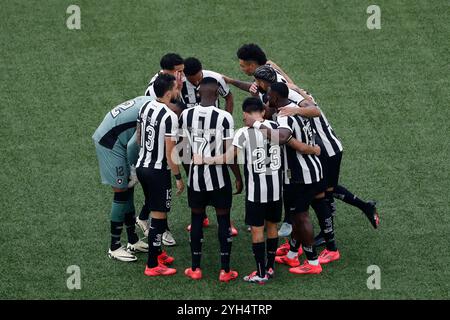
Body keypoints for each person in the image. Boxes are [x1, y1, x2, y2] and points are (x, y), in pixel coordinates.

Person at [244, 82, 340, 274]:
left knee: (300, 216)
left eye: (269, 96)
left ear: (276, 98)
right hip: (315, 168)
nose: (266, 100)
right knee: (308, 210)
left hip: (299, 175)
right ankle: (293, 254)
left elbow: (282, 137)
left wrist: (255, 124)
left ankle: (312, 262)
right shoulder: (298, 110)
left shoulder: (285, 116)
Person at [179, 77, 243, 282]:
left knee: (196, 218)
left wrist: (190, 173)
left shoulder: (186, 115)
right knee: (223, 220)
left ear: (198, 93)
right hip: (219, 180)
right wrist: (238, 177)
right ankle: (225, 270)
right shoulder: (224, 117)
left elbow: (183, 150)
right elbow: (229, 152)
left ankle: (195, 268)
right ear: (217, 95)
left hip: (196, 180)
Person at [136, 74, 185, 277]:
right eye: (176, 89)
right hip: (158, 172)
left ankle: (159, 252)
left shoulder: (145, 106)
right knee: (159, 215)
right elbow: (169, 150)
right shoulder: (170, 116)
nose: (177, 92)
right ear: (168, 92)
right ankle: (152, 265)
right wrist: (178, 177)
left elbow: (139, 135)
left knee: (157, 209)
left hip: (142, 166)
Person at [93, 96, 151, 262]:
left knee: (128, 188)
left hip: (117, 138)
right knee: (121, 191)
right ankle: (115, 246)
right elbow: (134, 144)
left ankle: (133, 240)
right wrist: (133, 169)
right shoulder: (153, 111)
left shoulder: (151, 99)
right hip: (110, 142)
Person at [233, 97, 283, 284]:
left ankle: (261, 272)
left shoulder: (243, 133)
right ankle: (270, 267)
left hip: (256, 192)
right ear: (262, 112)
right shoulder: (275, 127)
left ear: (245, 113)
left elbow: (231, 158)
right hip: (276, 190)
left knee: (257, 229)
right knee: (272, 226)